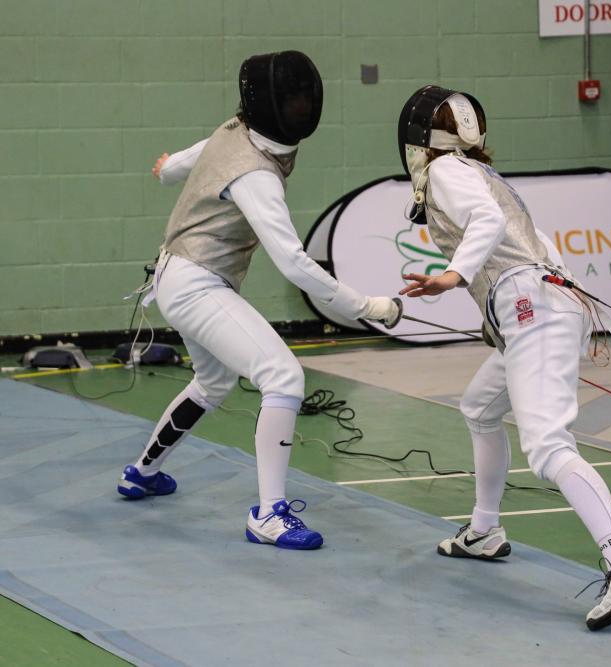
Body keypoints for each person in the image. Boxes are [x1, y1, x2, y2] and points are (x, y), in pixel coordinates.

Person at [396, 85, 611, 630]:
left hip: (529, 308)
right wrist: (576, 306)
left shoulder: (448, 172)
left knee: (546, 445)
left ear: (419, 138)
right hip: (539, 303)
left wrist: (453, 275)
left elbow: (489, 226)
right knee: (479, 408)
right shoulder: (480, 173)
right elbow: (537, 241)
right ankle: (485, 530)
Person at [117, 51, 400, 551]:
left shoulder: (234, 130)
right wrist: (369, 307)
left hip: (178, 274)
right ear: (274, 105)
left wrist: (165, 171)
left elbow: (185, 161)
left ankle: (142, 472)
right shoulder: (257, 175)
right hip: (195, 282)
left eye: (303, 98)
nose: (300, 107)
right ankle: (268, 515)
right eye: (292, 99)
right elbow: (293, 264)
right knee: (283, 376)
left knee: (214, 380)